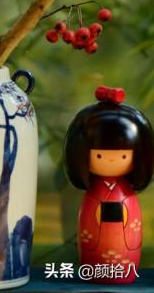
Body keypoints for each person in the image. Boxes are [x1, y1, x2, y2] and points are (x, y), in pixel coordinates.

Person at [64, 86, 154, 284]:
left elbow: (132, 224)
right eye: (99, 155)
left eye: (123, 156)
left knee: (125, 243)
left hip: (123, 238)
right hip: (96, 236)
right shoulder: (93, 192)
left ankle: (123, 270)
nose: (111, 160)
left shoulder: (126, 193)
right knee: (93, 243)